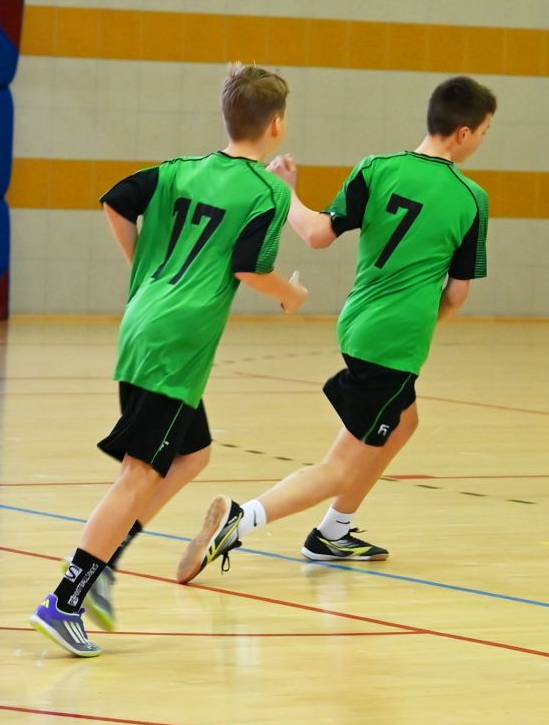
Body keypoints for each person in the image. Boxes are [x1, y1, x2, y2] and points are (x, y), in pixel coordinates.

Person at [28, 65, 305, 658]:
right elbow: (251, 267)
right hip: (177, 342)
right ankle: (66, 598)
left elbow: (115, 201)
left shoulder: (179, 170)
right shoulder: (269, 193)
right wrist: (290, 294)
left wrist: (145, 268)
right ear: (277, 125)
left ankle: (106, 563)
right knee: (138, 474)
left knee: (192, 454)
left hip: (144, 324)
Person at [178, 75, 495, 586]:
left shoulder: (377, 168)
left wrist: (288, 192)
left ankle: (334, 532)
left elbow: (318, 235)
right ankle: (241, 519)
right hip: (394, 340)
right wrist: (419, 326)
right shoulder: (471, 197)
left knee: (403, 422)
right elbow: (458, 293)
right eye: (483, 132)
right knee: (341, 465)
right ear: (463, 133)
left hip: (358, 322)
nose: (481, 140)